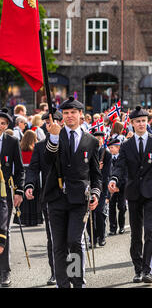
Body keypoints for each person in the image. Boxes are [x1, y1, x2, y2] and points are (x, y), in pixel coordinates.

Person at [37, 97, 102, 288]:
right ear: (62, 116)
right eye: (66, 113)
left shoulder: (90, 141)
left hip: (79, 198)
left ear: (81, 114)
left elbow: (95, 174)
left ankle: (76, 280)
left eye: (73, 112)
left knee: (74, 241)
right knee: (58, 245)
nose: (69, 116)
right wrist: (54, 138)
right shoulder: (55, 135)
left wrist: (96, 193)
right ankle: (63, 283)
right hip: (56, 197)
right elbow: (48, 160)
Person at [108, 106, 152, 284]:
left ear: (147, 122)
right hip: (133, 193)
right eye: (137, 121)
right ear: (132, 123)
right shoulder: (126, 145)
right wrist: (114, 179)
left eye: (143, 121)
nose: (141, 124)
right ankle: (138, 268)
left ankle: (148, 269)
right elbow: (120, 166)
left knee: (150, 230)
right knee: (136, 234)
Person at [24, 109, 63, 286]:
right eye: (47, 123)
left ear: (61, 123)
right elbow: (32, 169)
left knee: (74, 239)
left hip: (72, 197)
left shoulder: (71, 142)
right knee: (53, 237)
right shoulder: (40, 147)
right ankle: (56, 272)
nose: (50, 125)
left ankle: (75, 273)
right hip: (50, 196)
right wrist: (30, 185)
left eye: (53, 122)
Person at [0, 108, 24, 288]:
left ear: (7, 126)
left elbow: (20, 169)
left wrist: (19, 191)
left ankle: (4, 271)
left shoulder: (12, 141)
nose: (0, 126)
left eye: (3, 124)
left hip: (5, 192)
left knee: (3, 231)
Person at [88, 131, 111, 248]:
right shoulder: (88, 151)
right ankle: (92, 238)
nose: (98, 140)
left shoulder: (106, 154)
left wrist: (98, 169)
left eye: (100, 138)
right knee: (89, 214)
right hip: (89, 187)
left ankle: (101, 236)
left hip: (102, 187)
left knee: (99, 212)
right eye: (95, 138)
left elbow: (106, 174)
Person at [15, 130, 41, 227]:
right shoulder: (35, 150)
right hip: (33, 175)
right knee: (34, 198)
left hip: (23, 175)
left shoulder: (20, 150)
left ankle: (23, 218)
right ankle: (34, 219)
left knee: (24, 199)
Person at [107, 139, 127, 236]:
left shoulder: (123, 158)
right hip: (111, 187)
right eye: (109, 148)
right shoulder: (108, 158)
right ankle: (112, 228)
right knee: (111, 207)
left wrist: (119, 186)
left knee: (121, 207)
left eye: (112, 147)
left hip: (121, 187)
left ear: (118, 147)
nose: (110, 150)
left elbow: (125, 174)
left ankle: (122, 226)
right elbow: (107, 174)